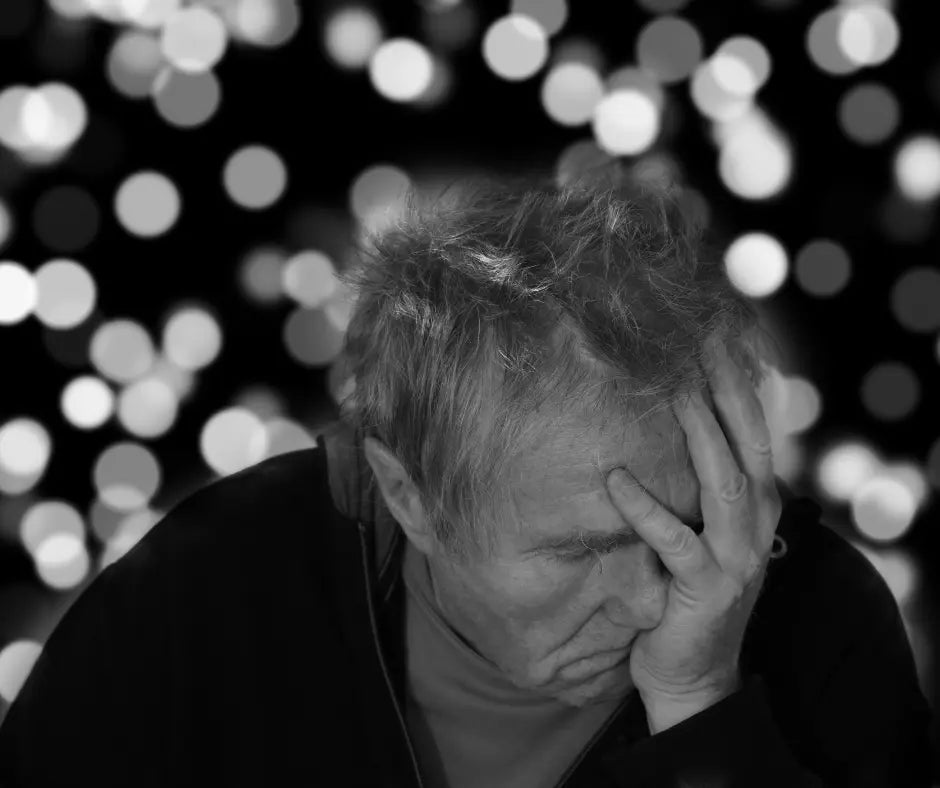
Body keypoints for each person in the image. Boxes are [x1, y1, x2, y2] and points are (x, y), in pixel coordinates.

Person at [0, 171, 933, 788]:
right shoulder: (202, 591)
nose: (657, 600)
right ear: (410, 498)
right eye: (581, 549)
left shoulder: (825, 620)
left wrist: (699, 708)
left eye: (681, 526)